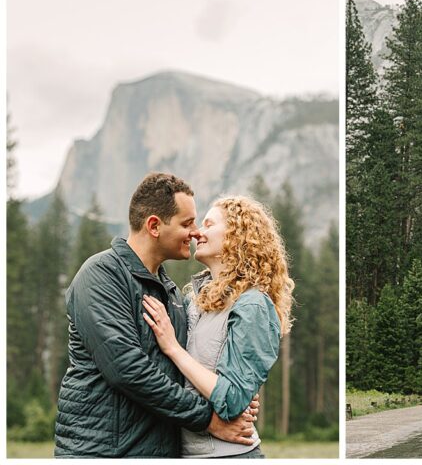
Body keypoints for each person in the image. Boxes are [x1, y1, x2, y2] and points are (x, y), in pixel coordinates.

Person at [55, 173, 256, 458]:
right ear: (154, 226)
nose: (196, 232)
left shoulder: (170, 292)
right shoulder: (101, 275)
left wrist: (233, 395)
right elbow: (128, 370)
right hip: (102, 452)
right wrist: (209, 420)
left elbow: (190, 363)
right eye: (187, 223)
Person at [143, 195, 294, 458]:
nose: (198, 233)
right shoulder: (194, 301)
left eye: (209, 225)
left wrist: (173, 348)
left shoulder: (253, 305)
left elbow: (233, 399)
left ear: (238, 235)